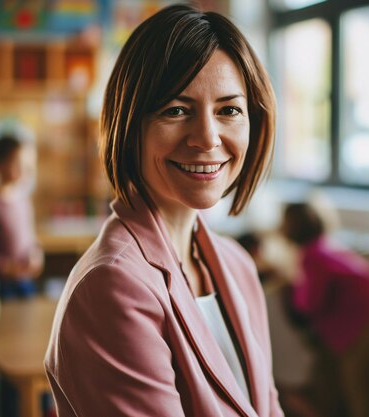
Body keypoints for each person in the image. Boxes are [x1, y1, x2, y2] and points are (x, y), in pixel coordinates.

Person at [45, 4, 283, 417]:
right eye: (176, 110)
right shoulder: (114, 284)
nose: (207, 138)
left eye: (229, 110)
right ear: (130, 122)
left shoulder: (237, 265)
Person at [280, 202, 369, 417]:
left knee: (358, 383)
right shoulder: (324, 245)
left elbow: (309, 304)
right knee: (355, 380)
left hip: (364, 318)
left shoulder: (311, 256)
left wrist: (292, 287)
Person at [0, 133, 43, 299]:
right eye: (16, 162)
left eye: (25, 163)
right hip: (2, 285)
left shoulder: (24, 200)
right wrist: (5, 266)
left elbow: (31, 238)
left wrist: (36, 254)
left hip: (26, 280)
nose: (22, 168)